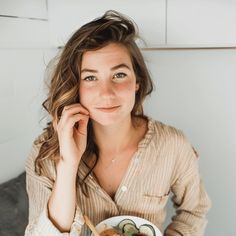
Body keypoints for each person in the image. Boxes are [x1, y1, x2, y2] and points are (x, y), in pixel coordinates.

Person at [25, 10, 211, 236]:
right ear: (76, 87)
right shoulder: (43, 154)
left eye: (119, 75)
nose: (106, 94)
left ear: (137, 83)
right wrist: (68, 164)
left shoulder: (174, 145)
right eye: (90, 78)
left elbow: (194, 211)